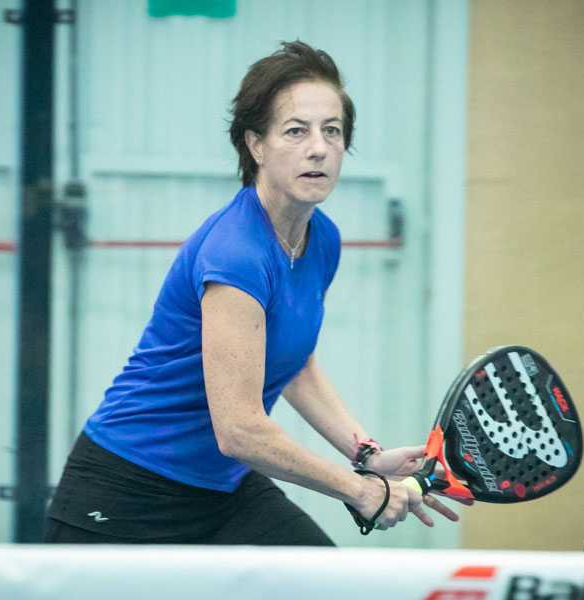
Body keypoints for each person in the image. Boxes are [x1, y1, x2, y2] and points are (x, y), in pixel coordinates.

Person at [44, 40, 461, 546]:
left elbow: (295, 364)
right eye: (296, 131)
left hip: (222, 487)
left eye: (332, 130)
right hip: (125, 489)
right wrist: (359, 489)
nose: (318, 148)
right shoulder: (236, 253)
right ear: (256, 146)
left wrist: (366, 456)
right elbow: (239, 430)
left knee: (329, 580)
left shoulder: (321, 238)